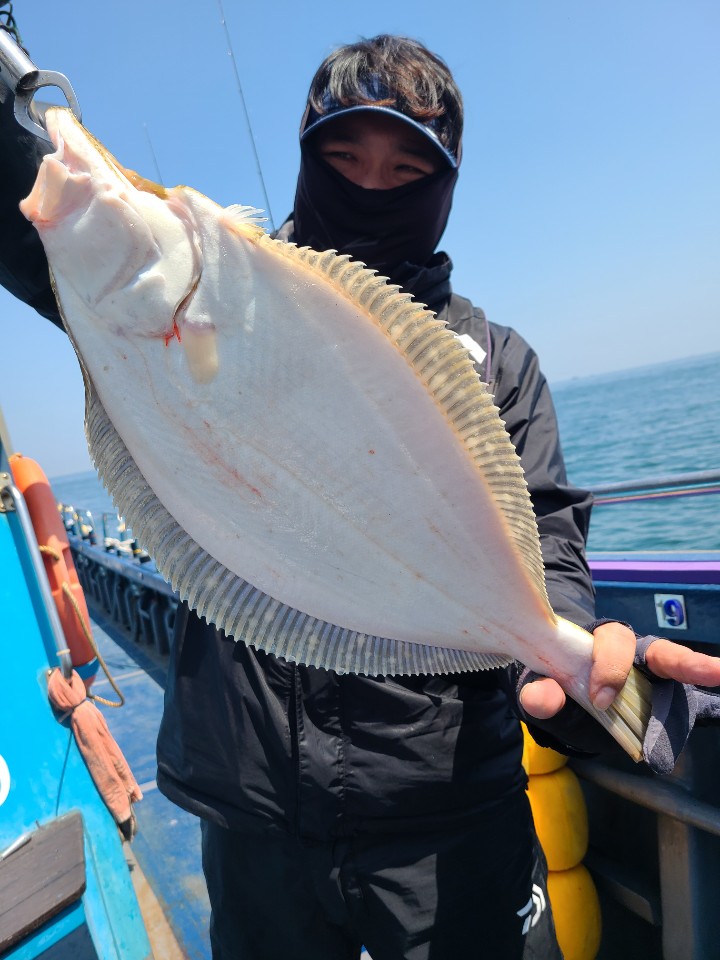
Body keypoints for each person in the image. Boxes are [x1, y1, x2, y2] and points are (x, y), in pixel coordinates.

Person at [2, 28, 720, 960]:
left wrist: (568, 655)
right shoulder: (214, 285)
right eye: (344, 158)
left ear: (446, 184)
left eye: (406, 168)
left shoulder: (497, 363)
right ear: (306, 159)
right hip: (254, 814)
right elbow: (35, 205)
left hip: (448, 819)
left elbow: (544, 537)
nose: (372, 186)